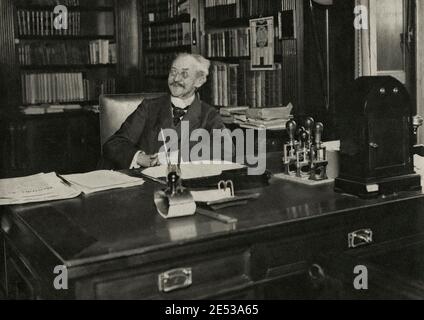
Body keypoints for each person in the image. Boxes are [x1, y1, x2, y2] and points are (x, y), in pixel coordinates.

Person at [102, 53, 231, 170]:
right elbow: (114, 143)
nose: (176, 79)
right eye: (173, 72)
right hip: (148, 185)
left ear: (199, 81)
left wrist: (174, 157)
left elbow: (226, 149)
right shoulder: (149, 108)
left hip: (187, 188)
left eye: (184, 74)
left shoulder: (209, 114)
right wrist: (139, 157)